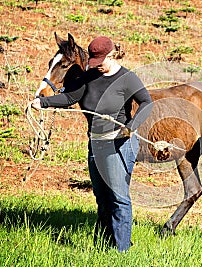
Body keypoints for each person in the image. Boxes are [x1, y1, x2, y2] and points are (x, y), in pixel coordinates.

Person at [30, 36, 153, 252]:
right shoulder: (89, 77)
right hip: (95, 145)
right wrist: (43, 102)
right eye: (94, 63)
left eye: (101, 62)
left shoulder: (127, 78)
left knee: (118, 198)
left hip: (119, 146)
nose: (97, 67)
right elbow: (69, 98)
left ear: (112, 55)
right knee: (102, 198)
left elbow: (146, 102)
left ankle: (122, 251)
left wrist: (132, 125)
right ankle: (105, 246)